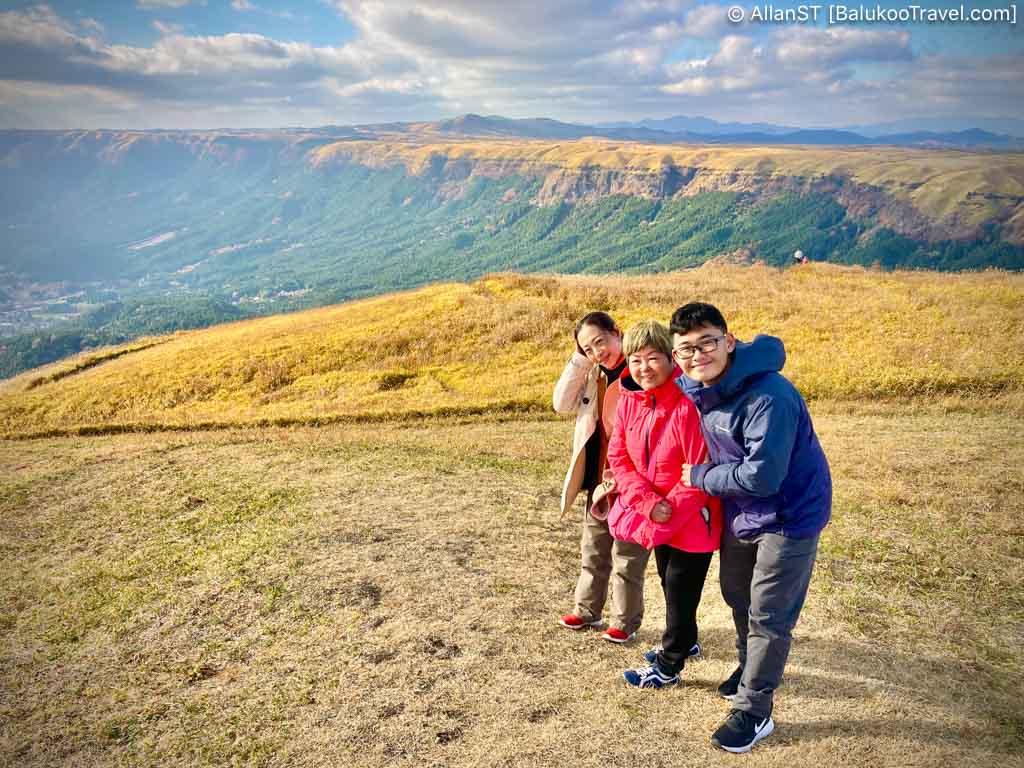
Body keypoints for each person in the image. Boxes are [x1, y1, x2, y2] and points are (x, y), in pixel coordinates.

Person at [670, 302, 832, 753]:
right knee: (736, 592)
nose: (698, 355)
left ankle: (755, 711)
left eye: (708, 343)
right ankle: (748, 666)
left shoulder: (769, 397)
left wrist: (700, 476)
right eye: (686, 348)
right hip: (742, 510)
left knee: (768, 613)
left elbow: (764, 476)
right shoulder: (696, 386)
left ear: (729, 341)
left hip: (790, 514)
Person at [605, 320, 722, 689]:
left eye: (652, 358)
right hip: (655, 515)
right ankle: (685, 641)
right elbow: (619, 457)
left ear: (672, 360)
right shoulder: (629, 402)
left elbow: (699, 472)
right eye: (635, 360)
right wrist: (647, 504)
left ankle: (669, 666)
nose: (643, 368)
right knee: (672, 588)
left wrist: (662, 512)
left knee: (681, 590)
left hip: (692, 520)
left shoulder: (688, 406)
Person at [553, 311, 650, 643]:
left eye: (600, 342)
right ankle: (587, 610)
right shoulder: (593, 373)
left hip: (633, 482)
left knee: (627, 556)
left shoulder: (640, 371)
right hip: (598, 479)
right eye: (588, 348)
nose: (597, 351)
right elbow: (561, 404)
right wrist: (580, 361)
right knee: (593, 549)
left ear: (617, 333)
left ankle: (625, 621)